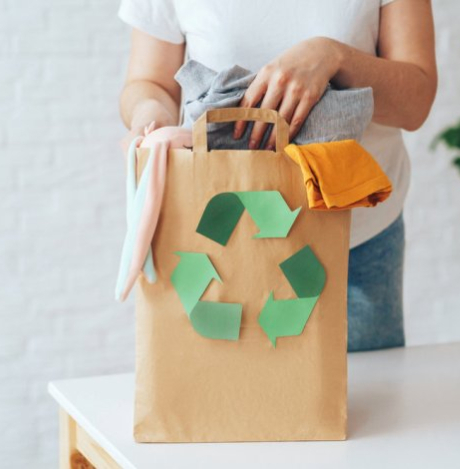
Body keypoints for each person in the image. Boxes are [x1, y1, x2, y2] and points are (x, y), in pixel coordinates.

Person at [118, 0, 437, 351]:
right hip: (217, 242)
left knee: (370, 383)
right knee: (217, 383)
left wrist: (334, 57)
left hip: (353, 242)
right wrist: (151, 119)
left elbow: (416, 103)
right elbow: (150, 82)